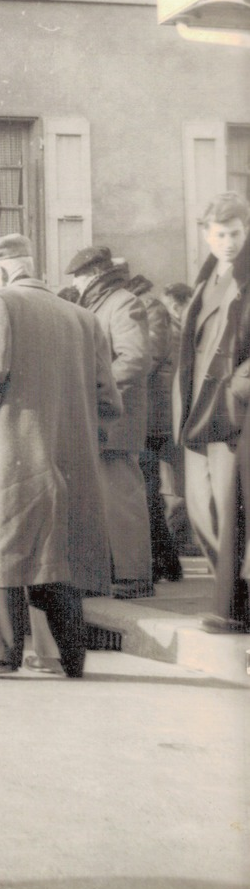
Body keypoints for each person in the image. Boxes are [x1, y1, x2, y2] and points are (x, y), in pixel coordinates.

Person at [0, 233, 121, 678]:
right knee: (54, 553)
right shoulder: (83, 317)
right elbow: (109, 401)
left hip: (9, 449)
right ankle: (66, 656)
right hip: (68, 456)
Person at [175, 191, 250, 634]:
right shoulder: (207, 279)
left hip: (231, 414)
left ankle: (235, 605)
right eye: (221, 234)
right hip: (195, 411)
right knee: (201, 508)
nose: (229, 242)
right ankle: (233, 596)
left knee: (230, 509)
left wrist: (239, 385)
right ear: (207, 235)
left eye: (237, 233)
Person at [64, 246, 154, 599]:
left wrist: (94, 390)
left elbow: (135, 359)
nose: (76, 283)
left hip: (115, 418)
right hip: (101, 417)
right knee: (103, 499)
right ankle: (112, 574)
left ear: (96, 275)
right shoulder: (100, 305)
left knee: (122, 498)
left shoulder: (123, 303)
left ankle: (135, 575)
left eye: (80, 276)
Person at [125, 274, 182, 583]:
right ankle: (166, 561)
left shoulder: (152, 309)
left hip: (153, 417)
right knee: (147, 489)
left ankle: (164, 561)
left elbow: (151, 356)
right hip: (148, 414)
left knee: (148, 489)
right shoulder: (146, 308)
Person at [159, 281, 194, 554]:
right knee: (175, 477)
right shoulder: (175, 330)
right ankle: (180, 536)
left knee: (174, 478)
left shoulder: (176, 330)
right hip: (175, 413)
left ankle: (180, 535)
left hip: (176, 412)